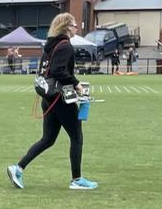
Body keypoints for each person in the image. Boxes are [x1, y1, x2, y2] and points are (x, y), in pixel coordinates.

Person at [7, 12, 97, 191]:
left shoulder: (50, 46)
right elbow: (58, 71)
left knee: (48, 139)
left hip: (48, 98)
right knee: (77, 138)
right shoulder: (66, 46)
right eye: (74, 25)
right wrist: (76, 84)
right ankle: (76, 179)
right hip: (61, 99)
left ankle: (18, 168)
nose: (76, 28)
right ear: (66, 27)